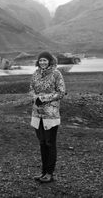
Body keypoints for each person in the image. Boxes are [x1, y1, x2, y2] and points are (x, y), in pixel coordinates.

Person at [29, 51, 65, 183]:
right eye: (40, 60)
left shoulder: (56, 73)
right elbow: (31, 89)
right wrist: (35, 97)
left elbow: (61, 92)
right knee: (42, 143)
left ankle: (50, 173)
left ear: (50, 61)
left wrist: (43, 98)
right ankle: (43, 172)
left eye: (45, 60)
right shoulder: (35, 73)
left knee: (50, 143)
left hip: (51, 114)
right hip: (37, 113)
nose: (42, 62)